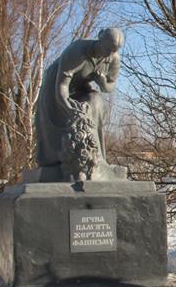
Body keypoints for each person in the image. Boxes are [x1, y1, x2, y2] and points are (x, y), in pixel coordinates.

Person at [34, 28, 123, 180]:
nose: (109, 54)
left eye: (113, 50)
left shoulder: (113, 59)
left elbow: (110, 86)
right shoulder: (77, 50)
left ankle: (96, 160)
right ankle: (58, 163)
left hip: (81, 90)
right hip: (56, 88)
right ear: (100, 40)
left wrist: (102, 83)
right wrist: (67, 106)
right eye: (107, 48)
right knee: (63, 123)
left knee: (95, 103)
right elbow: (61, 85)